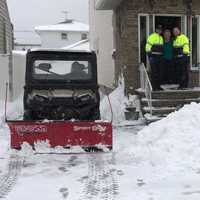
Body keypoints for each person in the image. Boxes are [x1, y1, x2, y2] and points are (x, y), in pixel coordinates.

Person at [146, 25, 164, 90]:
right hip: (154, 57)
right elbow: (148, 46)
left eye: (161, 30)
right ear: (156, 30)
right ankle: (154, 87)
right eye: (158, 29)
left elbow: (162, 48)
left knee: (160, 72)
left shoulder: (161, 38)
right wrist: (149, 55)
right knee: (154, 72)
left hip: (160, 57)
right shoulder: (152, 36)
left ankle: (158, 86)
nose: (159, 30)